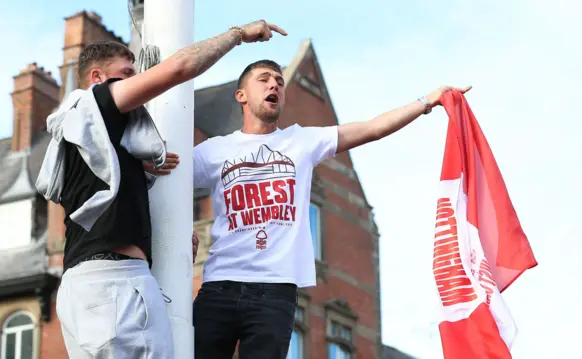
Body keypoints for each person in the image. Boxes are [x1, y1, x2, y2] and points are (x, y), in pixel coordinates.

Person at [37, 20, 287, 359]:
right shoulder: (96, 104)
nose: (134, 82)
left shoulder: (92, 143)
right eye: (127, 73)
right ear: (97, 78)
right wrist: (237, 35)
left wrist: (170, 237)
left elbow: (110, 214)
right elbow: (179, 68)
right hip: (115, 285)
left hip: (85, 289)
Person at [191, 59, 471, 358]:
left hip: (274, 291)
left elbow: (372, 128)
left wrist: (428, 101)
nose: (274, 84)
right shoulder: (214, 150)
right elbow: (162, 178)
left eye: (279, 81)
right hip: (220, 285)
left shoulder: (301, 141)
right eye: (263, 79)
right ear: (241, 95)